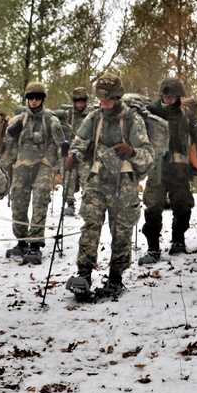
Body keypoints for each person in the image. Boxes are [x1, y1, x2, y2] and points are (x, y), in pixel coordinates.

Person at [63, 73, 154, 298]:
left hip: (124, 184)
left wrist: (132, 151)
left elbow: (148, 156)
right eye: (102, 101)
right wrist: (73, 156)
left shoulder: (133, 120)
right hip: (96, 181)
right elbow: (79, 142)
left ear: (118, 97)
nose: (105, 105)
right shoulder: (94, 118)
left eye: (109, 101)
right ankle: (83, 274)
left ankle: (116, 277)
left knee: (121, 231)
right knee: (90, 226)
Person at [138, 76, 197, 262]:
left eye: (172, 96)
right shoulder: (152, 111)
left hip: (180, 168)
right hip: (157, 167)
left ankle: (178, 240)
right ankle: (152, 246)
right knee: (152, 205)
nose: (168, 99)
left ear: (179, 96)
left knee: (182, 205)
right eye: (166, 96)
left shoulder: (186, 113)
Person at [1, 81, 67, 264]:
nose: (34, 101)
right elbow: (10, 146)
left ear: (42, 99)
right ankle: (21, 240)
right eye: (31, 97)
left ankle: (35, 243)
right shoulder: (18, 121)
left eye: (37, 97)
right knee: (18, 203)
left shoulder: (51, 121)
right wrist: (5, 163)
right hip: (22, 165)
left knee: (40, 202)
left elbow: (61, 146)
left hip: (43, 165)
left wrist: (61, 167)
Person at [54, 86, 94, 216]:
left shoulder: (92, 115)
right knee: (68, 179)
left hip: (86, 153)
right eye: (77, 100)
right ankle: (69, 203)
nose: (80, 103)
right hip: (70, 151)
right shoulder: (68, 115)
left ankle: (87, 203)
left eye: (82, 100)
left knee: (86, 179)